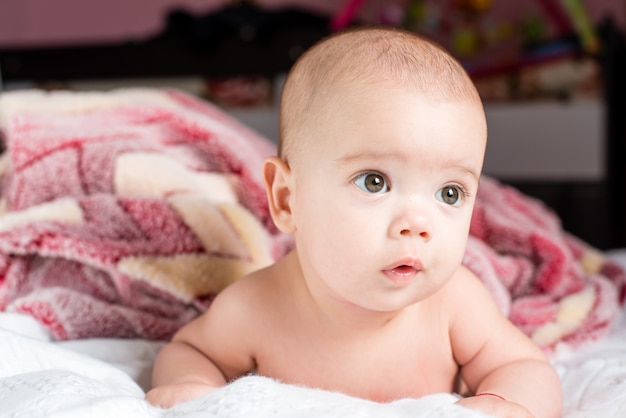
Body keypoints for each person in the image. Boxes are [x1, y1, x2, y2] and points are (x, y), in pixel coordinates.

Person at [146, 27, 562, 418]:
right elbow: (190, 351)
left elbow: (525, 366)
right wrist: (190, 385)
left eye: (449, 193)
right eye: (374, 182)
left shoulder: (454, 305)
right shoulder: (255, 308)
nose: (418, 223)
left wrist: (501, 402)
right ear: (288, 198)